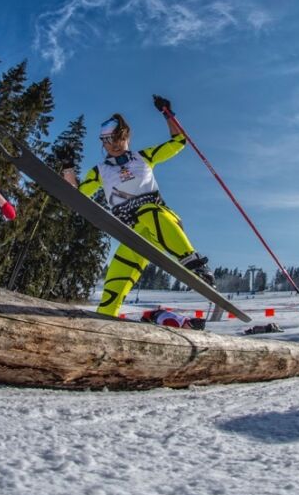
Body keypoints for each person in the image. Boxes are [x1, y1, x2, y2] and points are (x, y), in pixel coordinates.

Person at [62, 95, 215, 319]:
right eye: (108, 141)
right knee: (116, 280)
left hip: (162, 222)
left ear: (127, 138)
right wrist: (68, 169)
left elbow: (178, 142)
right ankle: (106, 318)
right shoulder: (99, 171)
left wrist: (167, 114)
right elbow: (79, 195)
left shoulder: (143, 157)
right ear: (102, 142)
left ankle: (191, 260)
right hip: (133, 234)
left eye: (118, 139)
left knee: (147, 212)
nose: (114, 145)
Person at [141, 307, 206, 330]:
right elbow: (163, 330)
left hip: (158, 313)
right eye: (190, 329)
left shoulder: (186, 319)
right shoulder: (176, 324)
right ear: (189, 325)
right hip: (149, 317)